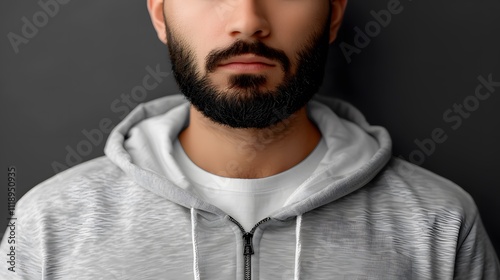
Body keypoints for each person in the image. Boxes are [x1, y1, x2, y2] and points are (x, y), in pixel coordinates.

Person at [1, 0, 499, 279]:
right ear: (160, 15)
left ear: (332, 14)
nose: (247, 21)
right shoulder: (48, 226)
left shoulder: (439, 224)